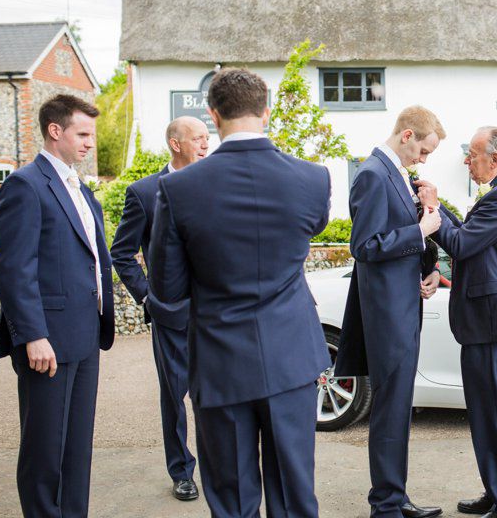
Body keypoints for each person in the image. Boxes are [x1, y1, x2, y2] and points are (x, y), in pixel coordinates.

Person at [148, 68, 331, 517]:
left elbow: (166, 287)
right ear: (266, 112)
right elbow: (311, 229)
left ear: (212, 115)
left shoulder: (177, 188)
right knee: (293, 492)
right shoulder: (313, 179)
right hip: (291, 354)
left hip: (219, 357)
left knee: (231, 497)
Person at [0, 93, 115, 517]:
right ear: (55, 131)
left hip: (84, 335)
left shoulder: (80, 189)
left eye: (91, 135)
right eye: (82, 134)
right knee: (45, 452)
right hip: (47, 342)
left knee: (76, 450)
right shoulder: (25, 185)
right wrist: (33, 335)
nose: (89, 143)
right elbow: (12, 267)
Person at [334, 106, 446, 518]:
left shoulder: (396, 174)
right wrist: (420, 230)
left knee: (399, 409)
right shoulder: (371, 174)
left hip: (403, 308)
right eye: (424, 148)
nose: (424, 158)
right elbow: (364, 247)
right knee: (389, 410)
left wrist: (429, 265)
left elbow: (403, 241)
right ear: (406, 135)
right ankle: (384, 506)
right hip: (385, 316)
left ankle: (394, 496)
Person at [417, 127, 497, 518]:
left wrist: (433, 210)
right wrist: (437, 207)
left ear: (494, 160)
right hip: (488, 323)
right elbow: (469, 235)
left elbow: (463, 243)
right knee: (486, 417)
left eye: (473, 154)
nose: (467, 160)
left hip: (496, 325)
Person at [110, 116, 209, 501]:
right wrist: (149, 297)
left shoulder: (213, 184)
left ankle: (220, 463)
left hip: (216, 312)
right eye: (197, 138)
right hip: (170, 315)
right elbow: (121, 253)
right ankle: (181, 470)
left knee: (216, 392)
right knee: (175, 396)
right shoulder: (143, 191)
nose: (205, 144)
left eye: (207, 137)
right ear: (175, 143)